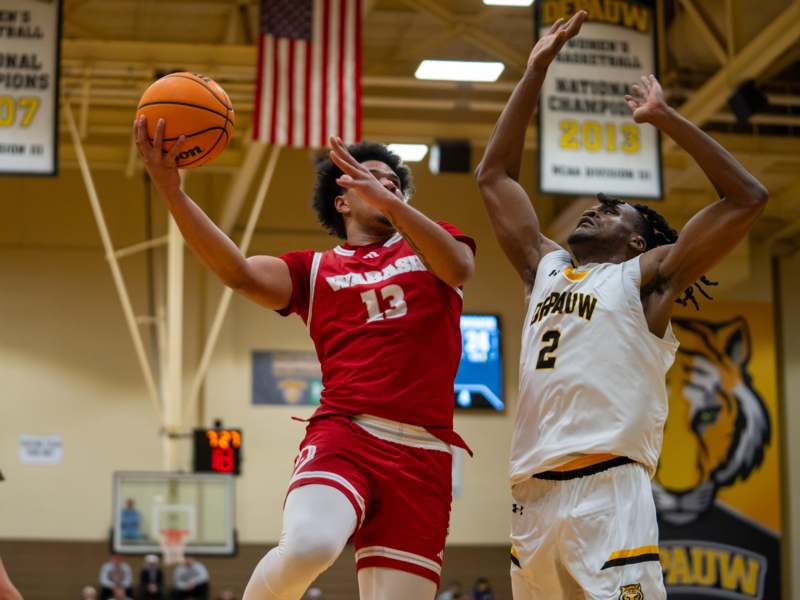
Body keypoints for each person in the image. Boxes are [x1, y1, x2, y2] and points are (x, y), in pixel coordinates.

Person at [476, 10, 769, 600]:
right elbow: (494, 174)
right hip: (530, 498)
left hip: (606, 491)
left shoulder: (648, 281)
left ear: (639, 241)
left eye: (612, 210)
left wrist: (665, 118)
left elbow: (746, 198)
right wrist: (535, 69)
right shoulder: (545, 267)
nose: (593, 209)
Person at [134, 119, 475, 600]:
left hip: (425, 452)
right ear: (343, 200)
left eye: (395, 184)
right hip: (346, 433)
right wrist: (173, 192)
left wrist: (393, 206)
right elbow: (237, 271)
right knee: (309, 545)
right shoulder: (314, 270)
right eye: (371, 178)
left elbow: (460, 268)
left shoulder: (431, 244)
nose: (387, 186)